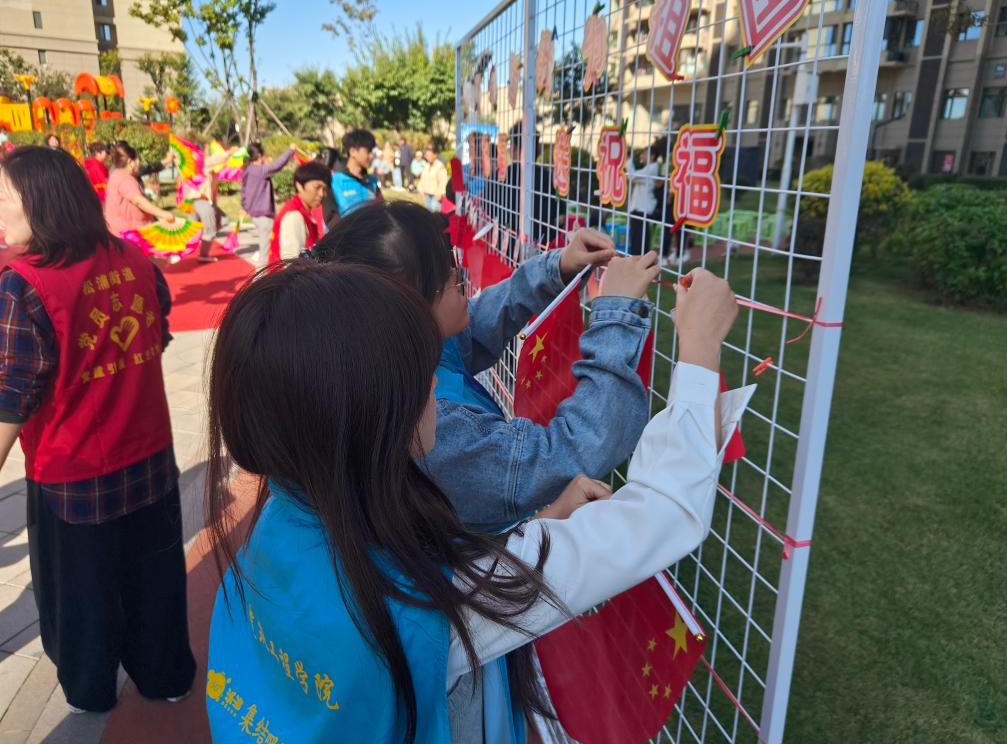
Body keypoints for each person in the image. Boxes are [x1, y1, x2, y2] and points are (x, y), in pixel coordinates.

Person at [204, 257, 751, 742]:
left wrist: (543, 524)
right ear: (371, 418)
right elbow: (663, 512)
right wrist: (700, 350)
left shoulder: (284, 513)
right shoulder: (426, 600)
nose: (435, 388)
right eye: (421, 374)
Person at [311, 200, 655, 529]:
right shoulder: (436, 432)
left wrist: (559, 267)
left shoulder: (394, 359)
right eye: (445, 274)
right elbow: (571, 452)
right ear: (406, 313)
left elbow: (479, 323)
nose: (458, 275)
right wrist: (617, 316)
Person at [0, 146, 196, 713]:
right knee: (154, 579)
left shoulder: (24, 283)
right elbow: (156, 334)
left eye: (4, 197)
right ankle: (166, 676)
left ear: (41, 202)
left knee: (80, 595)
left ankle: (90, 691)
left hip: (73, 473)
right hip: (150, 460)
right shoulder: (136, 261)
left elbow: (11, 398)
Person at [241, 141, 296, 266]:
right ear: (259, 156)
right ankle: (261, 273)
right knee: (266, 250)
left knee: (264, 245)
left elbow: (243, 192)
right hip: (263, 215)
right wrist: (290, 151)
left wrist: (246, 207)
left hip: (255, 213)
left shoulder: (248, 170)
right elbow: (277, 165)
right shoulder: (259, 171)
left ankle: (262, 265)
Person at [104, 142, 175, 238]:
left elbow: (148, 168)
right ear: (130, 162)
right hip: (127, 235)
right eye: (138, 160)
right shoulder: (124, 179)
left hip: (126, 232)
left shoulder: (119, 174)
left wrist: (167, 160)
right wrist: (163, 213)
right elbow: (138, 201)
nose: (139, 164)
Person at [269, 161, 331, 263]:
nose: (321, 194)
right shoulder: (294, 216)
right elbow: (291, 262)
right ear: (299, 186)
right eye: (317, 187)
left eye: (325, 189)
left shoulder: (303, 211)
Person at [185, 143, 233, 263]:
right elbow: (214, 160)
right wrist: (229, 153)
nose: (210, 153)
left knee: (222, 220)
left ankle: (199, 244)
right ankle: (203, 254)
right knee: (209, 229)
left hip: (200, 202)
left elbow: (213, 189)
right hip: (201, 202)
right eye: (207, 151)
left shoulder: (207, 169)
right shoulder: (201, 163)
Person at [331, 129, 381, 217]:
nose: (371, 156)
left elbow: (381, 211)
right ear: (353, 152)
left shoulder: (372, 181)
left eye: (372, 152)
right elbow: (330, 219)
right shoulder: (334, 182)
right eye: (368, 152)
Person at [627, 147, 663, 257]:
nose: (642, 156)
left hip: (642, 210)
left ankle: (639, 263)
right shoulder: (648, 168)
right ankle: (638, 262)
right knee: (637, 241)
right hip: (639, 210)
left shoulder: (652, 168)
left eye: (644, 154)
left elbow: (632, 176)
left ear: (652, 156)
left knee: (639, 243)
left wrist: (628, 160)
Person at [417, 147, 447, 212]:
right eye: (426, 155)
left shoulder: (440, 166)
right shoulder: (426, 165)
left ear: (435, 155)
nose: (427, 157)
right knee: (427, 212)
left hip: (436, 195)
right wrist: (420, 189)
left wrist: (441, 193)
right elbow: (423, 178)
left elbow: (443, 180)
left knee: (435, 212)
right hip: (427, 193)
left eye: (429, 155)